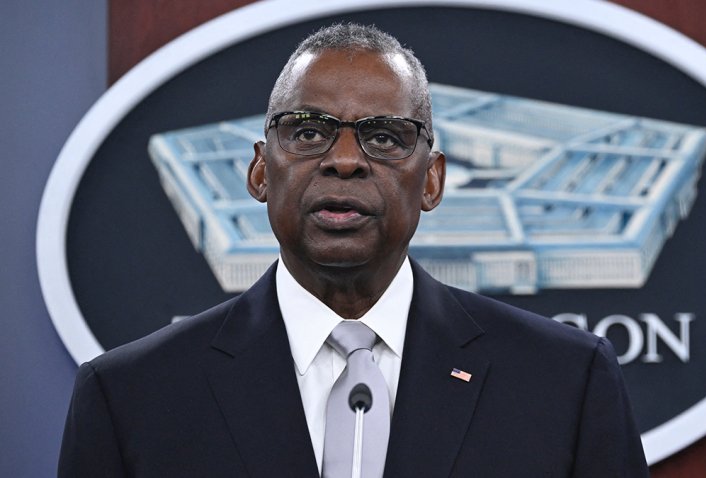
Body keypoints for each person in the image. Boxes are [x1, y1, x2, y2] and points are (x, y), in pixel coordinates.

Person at [59, 23, 648, 477]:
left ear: (433, 180)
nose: (344, 159)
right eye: (308, 132)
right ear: (261, 172)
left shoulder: (566, 382)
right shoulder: (131, 396)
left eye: (385, 136)